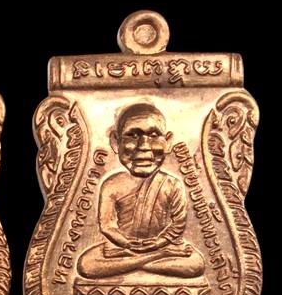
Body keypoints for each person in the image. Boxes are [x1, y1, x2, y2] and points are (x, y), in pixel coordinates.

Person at [77, 102, 204, 279]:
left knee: (196, 264)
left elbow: (178, 224)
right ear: (115, 142)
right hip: (124, 248)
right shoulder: (111, 184)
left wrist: (159, 243)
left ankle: (136, 262)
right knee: (86, 264)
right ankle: (150, 260)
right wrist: (126, 243)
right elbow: (107, 226)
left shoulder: (172, 184)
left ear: (167, 142)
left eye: (154, 136)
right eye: (133, 135)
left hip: (162, 246)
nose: (144, 146)